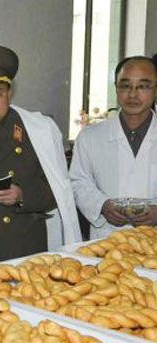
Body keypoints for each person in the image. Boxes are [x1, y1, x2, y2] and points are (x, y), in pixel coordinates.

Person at [0, 45, 81, 264]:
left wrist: (22, 196)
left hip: (23, 247)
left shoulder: (40, 130)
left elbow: (60, 191)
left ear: (10, 94)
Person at [70, 56, 157, 239]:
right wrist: (101, 205)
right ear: (116, 88)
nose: (132, 95)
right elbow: (78, 182)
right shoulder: (90, 137)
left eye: (143, 86)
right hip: (107, 238)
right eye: (125, 86)